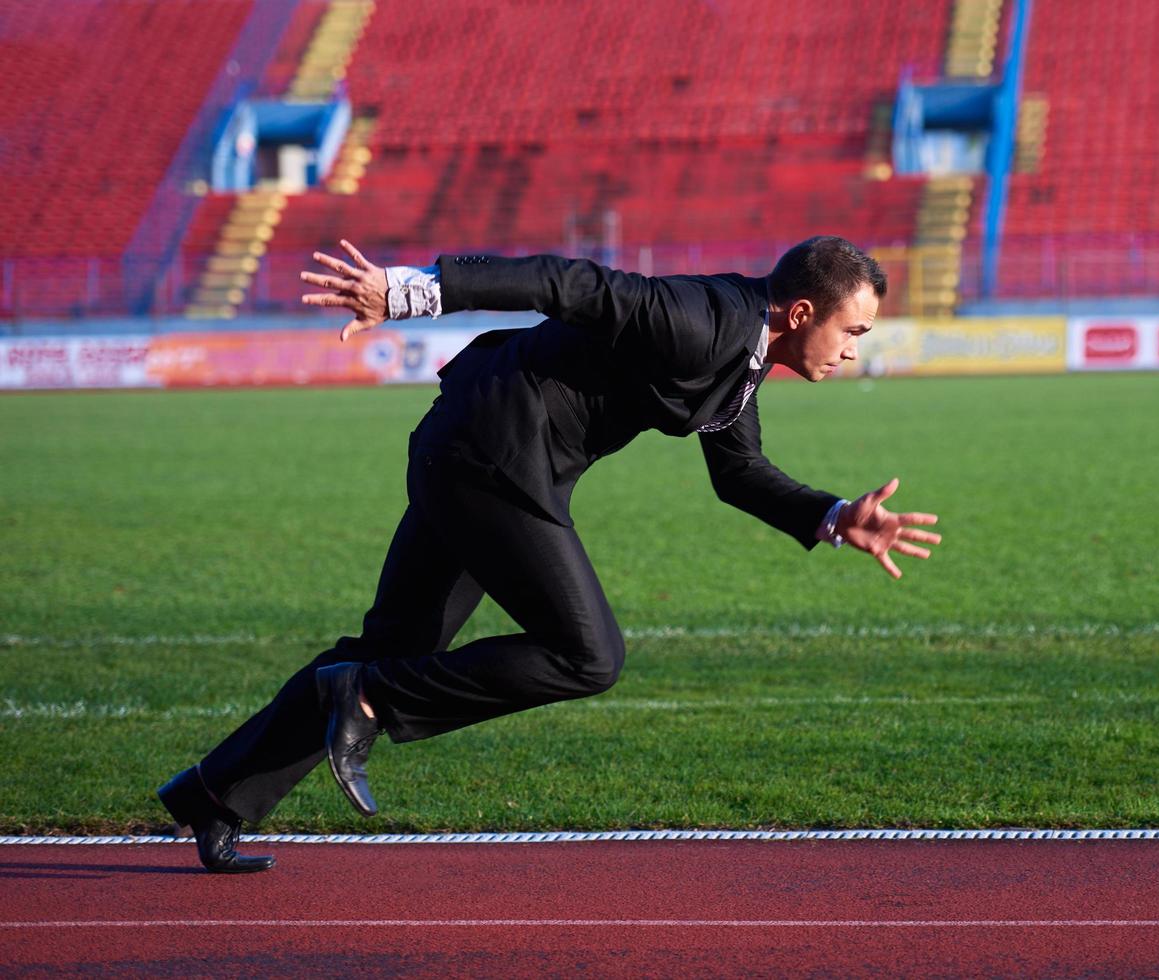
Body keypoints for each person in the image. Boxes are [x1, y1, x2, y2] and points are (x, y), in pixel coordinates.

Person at [155, 236, 942, 872]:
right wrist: (408, 292)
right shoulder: (703, 316)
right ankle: (365, 699)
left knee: (399, 648)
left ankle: (216, 795)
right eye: (853, 332)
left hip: (470, 452)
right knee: (587, 654)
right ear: (803, 311)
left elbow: (738, 473)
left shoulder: (741, 363)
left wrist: (837, 516)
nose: (854, 352)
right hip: (492, 457)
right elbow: (570, 283)